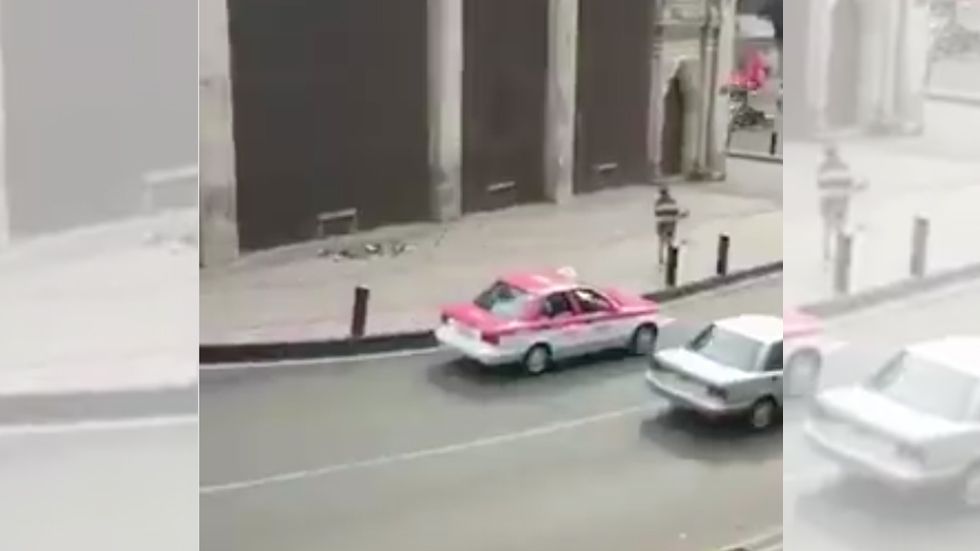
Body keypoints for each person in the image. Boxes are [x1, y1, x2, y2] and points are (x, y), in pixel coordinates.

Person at [816, 143, 863, 260]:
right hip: (842, 202)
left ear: (826, 155)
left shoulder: (822, 168)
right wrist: (860, 186)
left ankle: (827, 255)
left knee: (827, 228)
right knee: (840, 228)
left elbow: (820, 184)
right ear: (837, 154)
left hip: (828, 202)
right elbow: (850, 184)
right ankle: (840, 253)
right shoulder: (844, 166)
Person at [654, 186, 686, 265]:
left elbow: (657, 213)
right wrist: (683, 215)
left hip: (661, 224)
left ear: (660, 193)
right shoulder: (673, 201)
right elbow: (676, 213)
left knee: (661, 241)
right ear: (668, 193)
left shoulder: (658, 202)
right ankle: (670, 258)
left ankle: (661, 260)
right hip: (671, 224)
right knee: (670, 241)